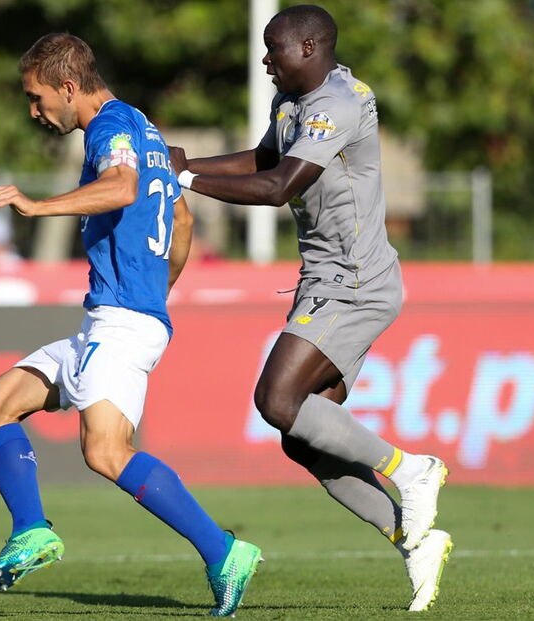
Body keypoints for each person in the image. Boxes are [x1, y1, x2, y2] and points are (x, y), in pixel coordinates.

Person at [168, 5, 451, 612]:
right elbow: (265, 160)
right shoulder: (293, 101)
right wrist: (184, 166)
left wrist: (185, 182)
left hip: (353, 281)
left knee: (276, 401)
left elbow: (277, 188)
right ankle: (411, 540)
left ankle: (413, 470)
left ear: (310, 46)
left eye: (274, 50)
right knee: (301, 436)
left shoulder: (337, 105)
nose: (264, 60)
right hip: (327, 280)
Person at [0, 33, 262, 617]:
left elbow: (123, 188)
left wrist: (36, 205)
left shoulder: (110, 126)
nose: (34, 111)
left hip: (121, 323)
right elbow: (180, 218)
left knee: (106, 451)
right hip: (113, 316)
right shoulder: (145, 129)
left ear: (68, 87)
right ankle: (31, 531)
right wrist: (160, 293)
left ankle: (223, 550)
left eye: (37, 97)